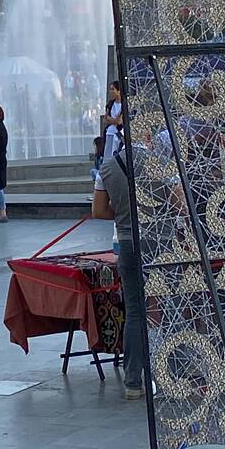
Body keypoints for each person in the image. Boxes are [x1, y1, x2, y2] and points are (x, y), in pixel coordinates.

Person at [92, 145, 145, 401]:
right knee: (165, 310)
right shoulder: (159, 161)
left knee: (134, 311)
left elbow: (99, 210)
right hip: (159, 241)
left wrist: (125, 216)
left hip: (126, 242)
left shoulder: (108, 166)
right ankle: (171, 374)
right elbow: (179, 203)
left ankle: (133, 381)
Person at [103, 81, 123, 163]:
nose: (111, 91)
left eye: (113, 89)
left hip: (120, 133)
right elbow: (105, 119)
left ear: (118, 91)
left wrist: (110, 119)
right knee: (108, 155)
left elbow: (120, 121)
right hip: (110, 132)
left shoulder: (124, 104)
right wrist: (114, 120)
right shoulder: (111, 104)